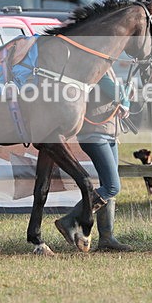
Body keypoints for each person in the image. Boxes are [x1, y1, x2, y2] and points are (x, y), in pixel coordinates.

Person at [55, 68, 132, 251]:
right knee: (113, 186)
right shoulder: (98, 67)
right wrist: (126, 99)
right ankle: (70, 220)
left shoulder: (109, 66)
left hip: (109, 133)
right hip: (95, 135)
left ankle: (106, 238)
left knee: (109, 187)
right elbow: (115, 91)